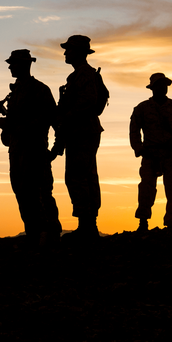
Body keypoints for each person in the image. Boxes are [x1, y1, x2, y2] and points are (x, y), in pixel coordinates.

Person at [0, 49, 62, 242]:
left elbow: (52, 119)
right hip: (17, 150)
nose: (10, 66)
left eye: (13, 63)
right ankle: (34, 232)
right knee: (22, 192)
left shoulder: (40, 90)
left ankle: (49, 233)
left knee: (40, 191)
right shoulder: (14, 92)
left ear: (25, 65)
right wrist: (6, 126)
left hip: (34, 150)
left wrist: (56, 148)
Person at [51, 34, 109, 238]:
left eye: (69, 49)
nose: (66, 53)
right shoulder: (77, 76)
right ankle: (88, 223)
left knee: (79, 177)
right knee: (85, 176)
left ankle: (87, 225)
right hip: (81, 131)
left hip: (83, 131)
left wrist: (66, 116)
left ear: (79, 52)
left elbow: (89, 101)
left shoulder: (84, 74)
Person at [130, 73, 172, 232]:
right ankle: (143, 222)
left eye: (164, 85)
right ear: (153, 88)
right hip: (150, 155)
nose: (162, 88)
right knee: (146, 189)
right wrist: (140, 149)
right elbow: (134, 131)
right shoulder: (142, 108)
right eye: (159, 85)